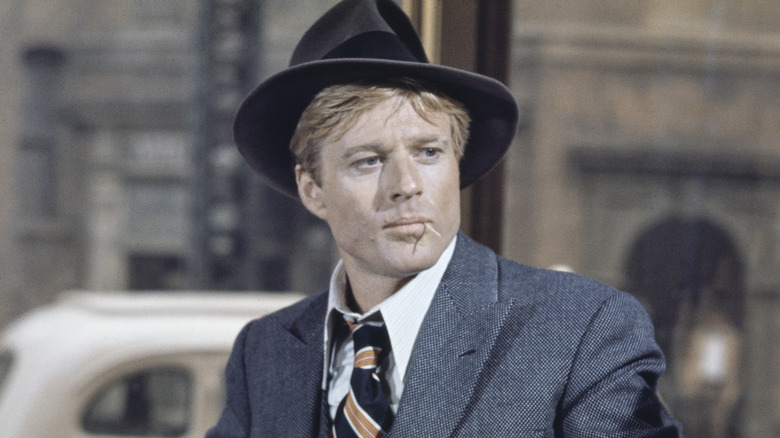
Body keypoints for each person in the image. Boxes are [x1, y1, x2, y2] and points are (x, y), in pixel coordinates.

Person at [207, 0, 681, 436]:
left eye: (428, 152)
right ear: (314, 192)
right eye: (368, 160)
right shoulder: (264, 352)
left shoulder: (581, 329)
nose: (406, 184)